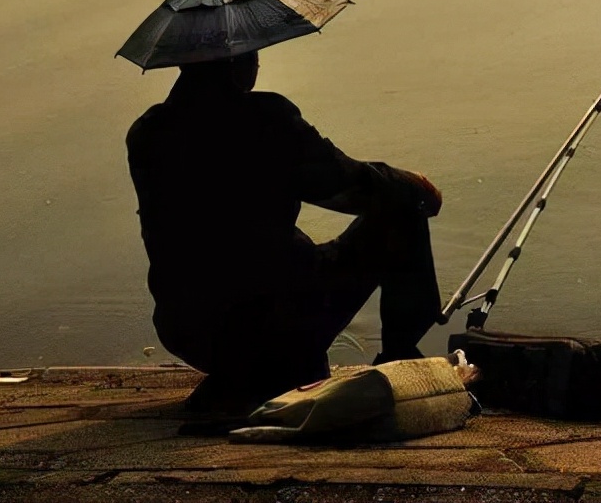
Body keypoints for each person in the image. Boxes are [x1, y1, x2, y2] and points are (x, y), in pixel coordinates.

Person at [126, 50, 443, 414]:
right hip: (278, 320)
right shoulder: (266, 119)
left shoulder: (147, 133)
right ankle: (399, 360)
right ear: (235, 66)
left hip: (187, 329)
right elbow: (348, 186)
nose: (257, 65)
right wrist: (412, 186)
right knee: (402, 209)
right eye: (252, 57)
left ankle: (249, 374)